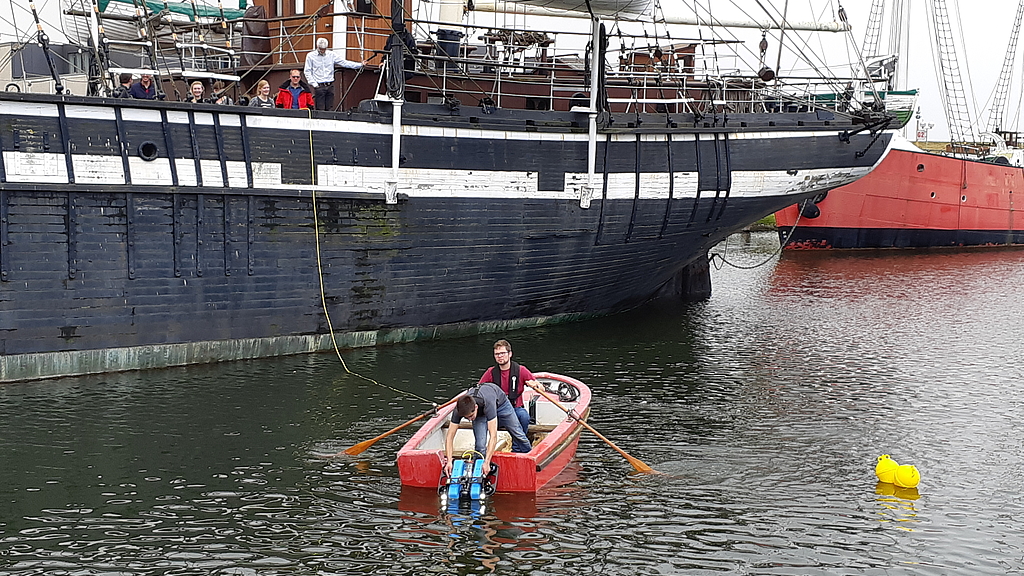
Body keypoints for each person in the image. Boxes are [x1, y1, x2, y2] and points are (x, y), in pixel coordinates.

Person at [443, 382, 532, 476]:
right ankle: (478, 471)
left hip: (501, 404)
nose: (469, 420)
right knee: (480, 445)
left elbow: (493, 436)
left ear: (475, 407)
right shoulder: (458, 410)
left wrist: (487, 461)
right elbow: (450, 437)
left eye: (470, 416)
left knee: (518, 434)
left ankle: (531, 458)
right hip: (480, 413)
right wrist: (449, 461)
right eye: (466, 418)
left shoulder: (488, 403)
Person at [478, 339, 539, 437]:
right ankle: (487, 445)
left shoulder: (521, 370)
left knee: (524, 417)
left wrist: (535, 385)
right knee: (481, 418)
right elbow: (479, 389)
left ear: (510, 354)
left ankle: (517, 446)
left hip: (516, 409)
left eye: (502, 353)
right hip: (497, 410)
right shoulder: (490, 372)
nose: (500, 356)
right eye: (497, 354)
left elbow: (541, 388)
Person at [303, 37, 366, 111]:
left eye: (324, 49)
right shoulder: (310, 56)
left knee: (330, 108)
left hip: (330, 85)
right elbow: (307, 71)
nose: (323, 51)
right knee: (320, 109)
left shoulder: (331, 55)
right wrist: (315, 84)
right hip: (319, 85)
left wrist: (359, 65)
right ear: (317, 47)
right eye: (321, 49)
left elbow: (344, 62)